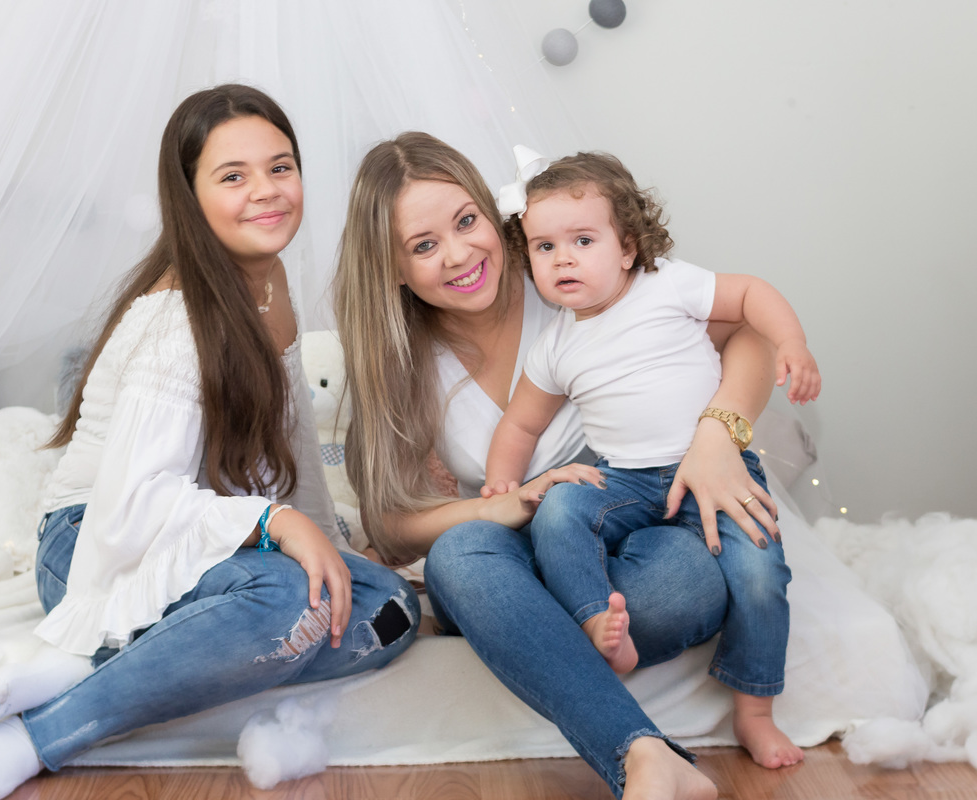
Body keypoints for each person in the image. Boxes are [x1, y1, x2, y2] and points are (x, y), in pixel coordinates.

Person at [0, 84, 420, 800]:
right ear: (190, 195)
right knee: (287, 601)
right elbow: (134, 502)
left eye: (281, 167)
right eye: (233, 177)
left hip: (207, 541)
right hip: (97, 543)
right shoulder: (177, 319)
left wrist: (330, 544)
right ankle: (42, 731)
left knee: (390, 608)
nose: (266, 192)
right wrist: (276, 523)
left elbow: (290, 451)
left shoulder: (268, 286)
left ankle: (122, 664)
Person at [334, 132, 783, 800]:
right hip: (514, 555)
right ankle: (639, 751)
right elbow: (395, 527)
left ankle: (550, 658)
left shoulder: (570, 273)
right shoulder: (403, 362)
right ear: (393, 267)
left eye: (466, 222)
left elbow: (749, 333)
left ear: (495, 215)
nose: (459, 254)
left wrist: (720, 433)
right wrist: (497, 506)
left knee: (696, 573)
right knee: (460, 556)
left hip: (634, 537)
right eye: (424, 245)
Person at [485, 150, 819, 770]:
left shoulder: (668, 286)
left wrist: (792, 342)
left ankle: (754, 710)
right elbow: (521, 421)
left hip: (718, 471)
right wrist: (502, 480)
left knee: (761, 577)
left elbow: (751, 296)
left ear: (628, 247)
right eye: (543, 247)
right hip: (626, 480)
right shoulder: (556, 345)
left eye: (583, 240)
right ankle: (594, 622)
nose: (562, 259)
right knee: (560, 508)